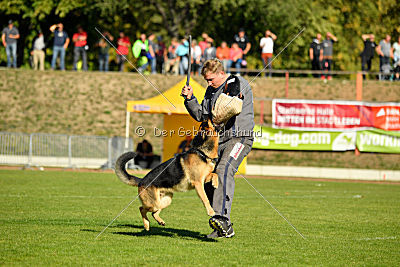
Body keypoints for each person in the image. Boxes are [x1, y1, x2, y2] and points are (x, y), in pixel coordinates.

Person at [181, 58, 255, 238]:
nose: (209, 83)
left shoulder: (235, 83)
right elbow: (201, 115)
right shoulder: (210, 90)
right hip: (216, 141)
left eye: (211, 79)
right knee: (207, 178)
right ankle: (221, 226)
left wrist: (210, 122)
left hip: (239, 138)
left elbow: (229, 109)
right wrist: (190, 99)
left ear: (221, 73)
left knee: (223, 170)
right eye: (206, 80)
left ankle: (222, 219)